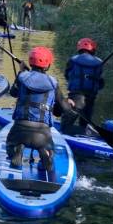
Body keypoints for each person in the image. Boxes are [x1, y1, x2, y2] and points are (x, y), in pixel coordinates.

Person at [6, 47, 72, 175]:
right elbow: (63, 109)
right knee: (46, 149)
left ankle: (17, 150)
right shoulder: (53, 83)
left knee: (11, 145)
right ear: (47, 65)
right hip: (42, 133)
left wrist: (21, 73)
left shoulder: (22, 77)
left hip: (19, 129)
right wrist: (68, 103)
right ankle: (44, 154)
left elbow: (13, 93)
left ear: (31, 62)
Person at [62, 38, 105, 135]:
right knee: (84, 123)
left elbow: (67, 75)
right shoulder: (99, 63)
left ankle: (88, 131)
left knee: (65, 127)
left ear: (79, 48)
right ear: (93, 49)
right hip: (91, 98)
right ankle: (87, 131)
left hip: (76, 97)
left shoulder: (73, 60)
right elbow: (101, 84)